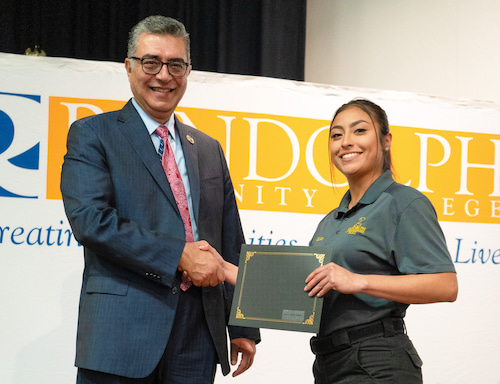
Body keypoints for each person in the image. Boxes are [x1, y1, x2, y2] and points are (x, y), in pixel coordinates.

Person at [60, 15, 260, 384]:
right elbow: (90, 220)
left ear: (188, 71)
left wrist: (243, 323)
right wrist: (178, 256)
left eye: (175, 65)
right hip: (122, 333)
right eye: (151, 62)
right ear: (129, 67)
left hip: (198, 333)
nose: (163, 75)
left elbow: (231, 238)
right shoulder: (93, 134)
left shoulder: (208, 149)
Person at [303, 98, 458, 383]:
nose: (346, 142)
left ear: (386, 140)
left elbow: (445, 285)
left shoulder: (404, 203)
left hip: (376, 361)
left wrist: (359, 281)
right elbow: (302, 286)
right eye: (336, 135)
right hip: (327, 363)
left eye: (359, 131)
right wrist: (226, 271)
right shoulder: (330, 219)